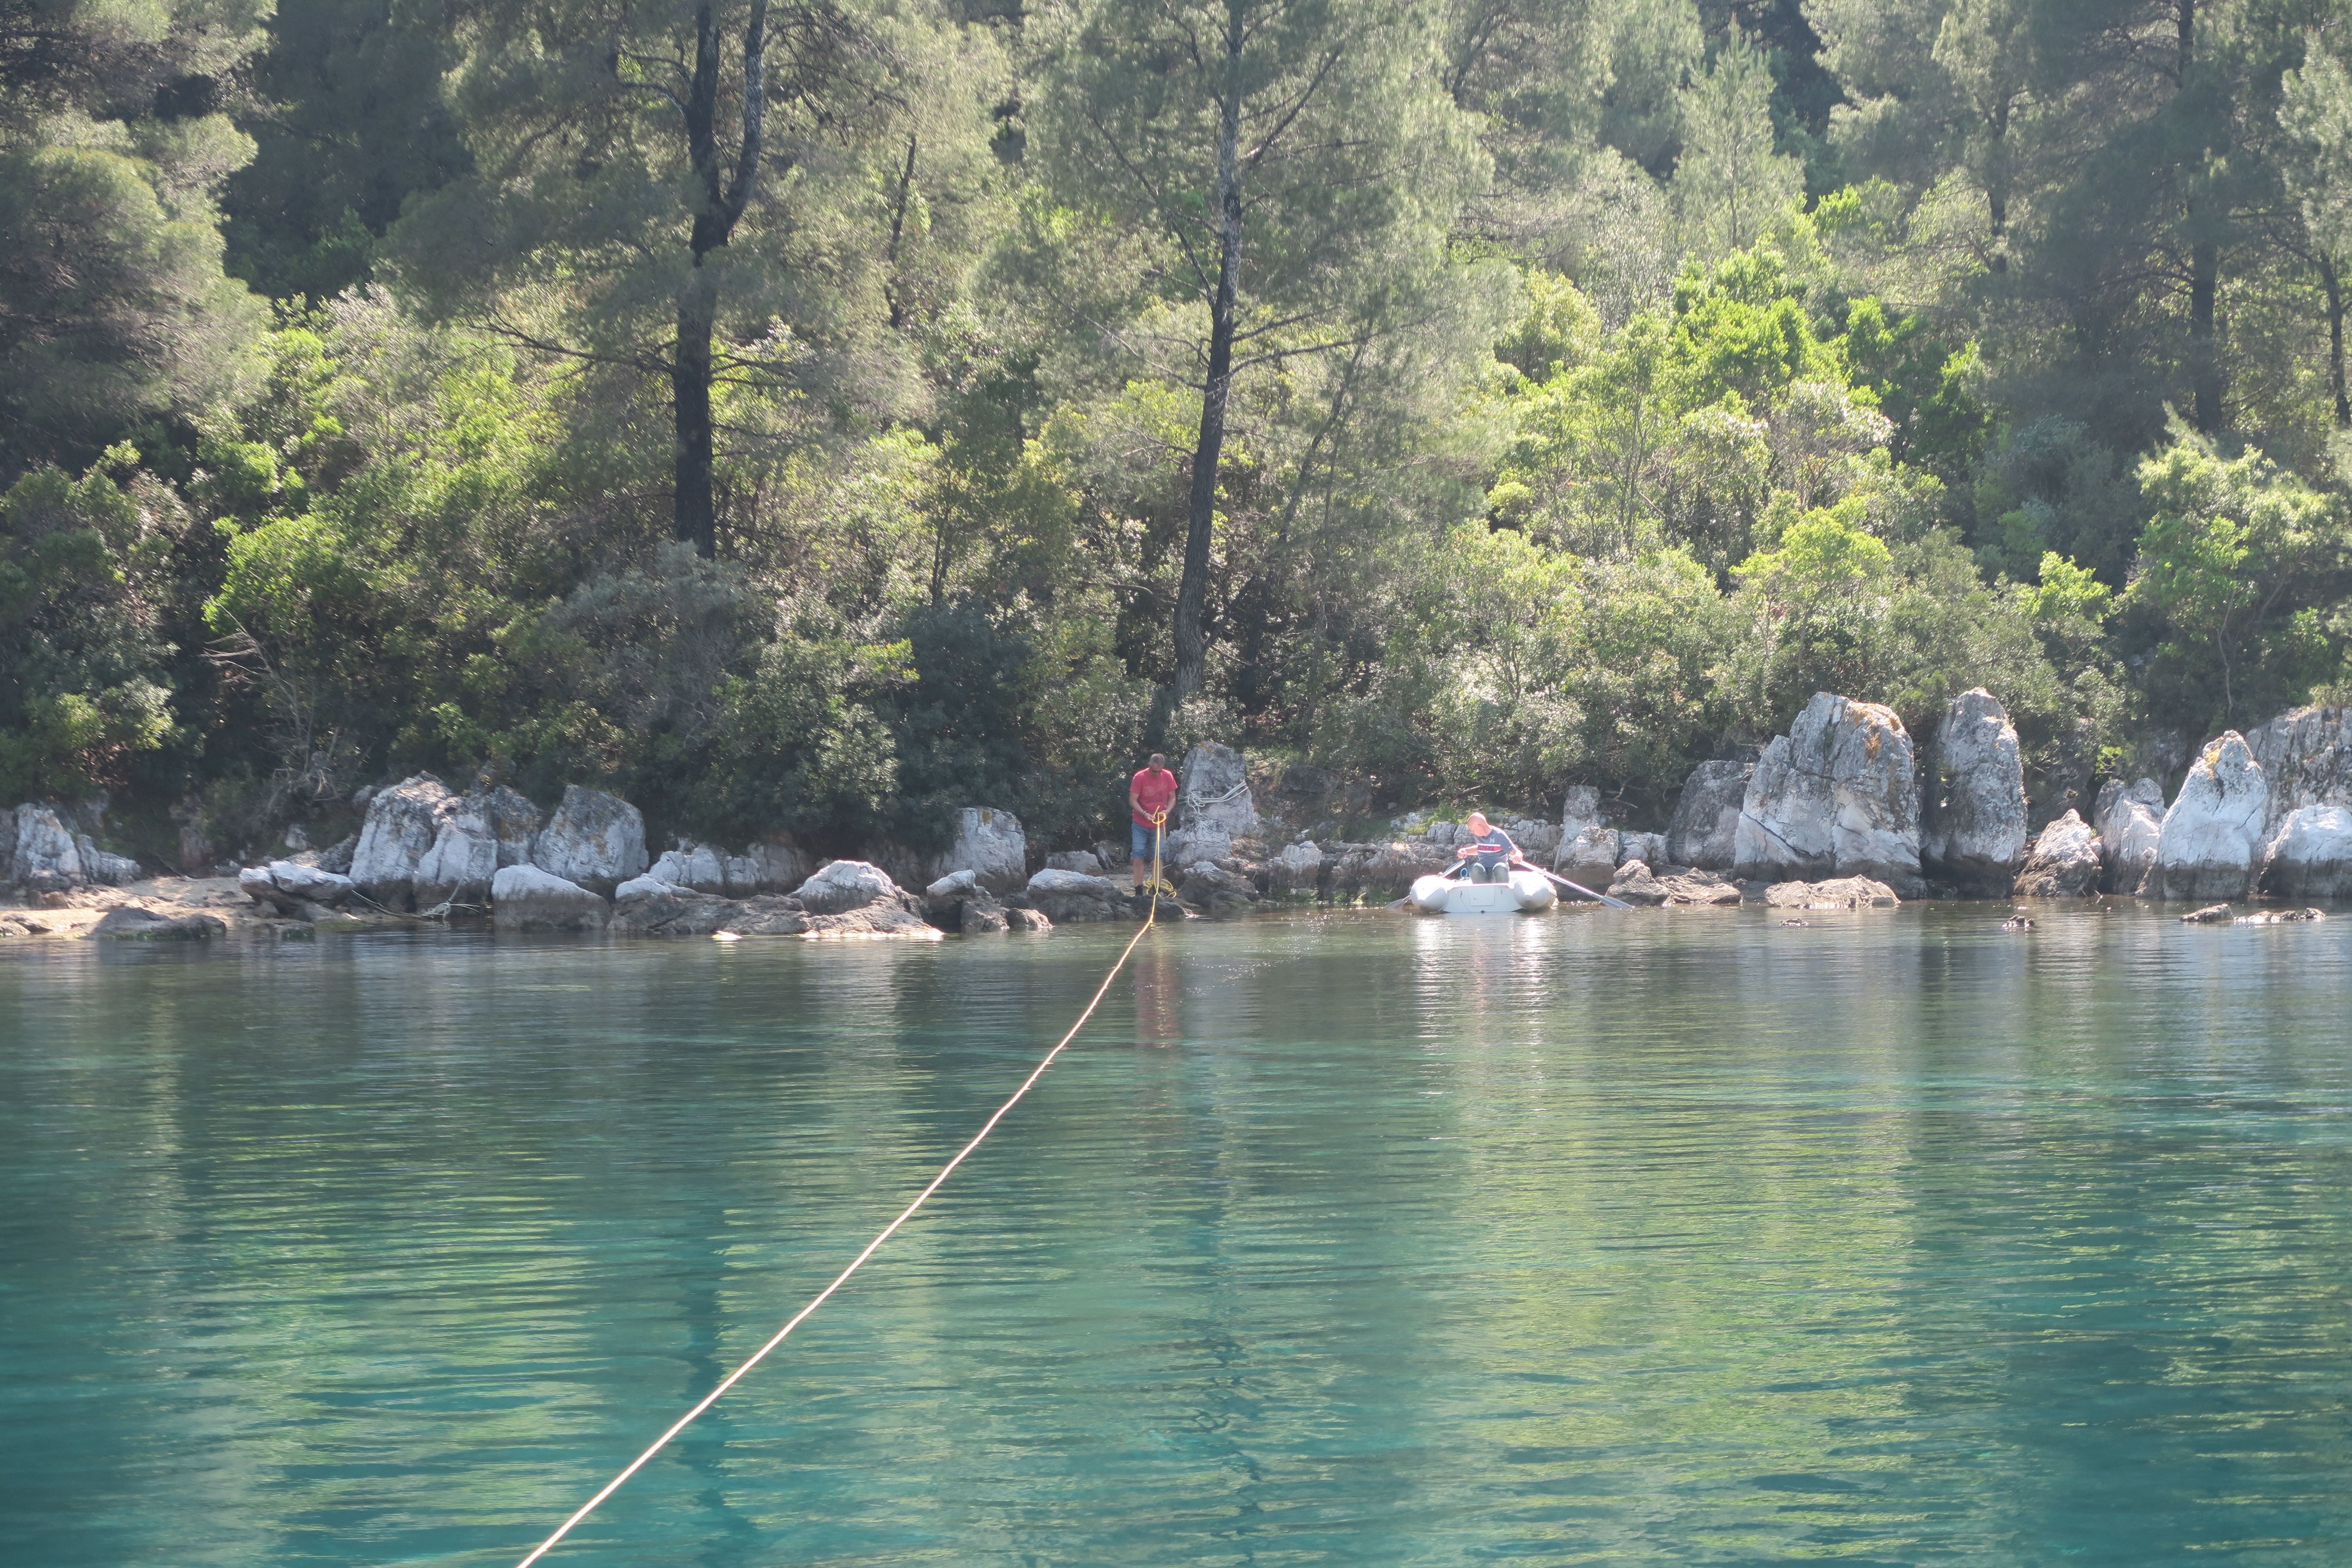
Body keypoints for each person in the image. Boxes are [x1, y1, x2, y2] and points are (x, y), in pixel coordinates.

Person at [1129, 752, 1179, 893]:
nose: (1157, 774)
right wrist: (1144, 814)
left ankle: (1156, 889)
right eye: (1154, 771)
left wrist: (1167, 812)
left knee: (1158, 858)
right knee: (1138, 857)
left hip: (1159, 826)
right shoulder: (1140, 777)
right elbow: (1133, 800)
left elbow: (1173, 798)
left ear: (1163, 768)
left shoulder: (1168, 776)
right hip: (1140, 824)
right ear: (1149, 766)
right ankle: (1138, 890)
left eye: (1160, 771)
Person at [1453, 811, 1526, 883]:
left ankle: (1502, 891)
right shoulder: (1478, 836)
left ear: (1480, 827)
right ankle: (1480, 891)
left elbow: (1516, 852)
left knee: (1500, 867)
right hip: (1484, 871)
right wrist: (1465, 851)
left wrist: (1518, 856)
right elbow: (1482, 848)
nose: (1472, 832)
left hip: (1497, 871)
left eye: (1473, 829)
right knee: (1475, 867)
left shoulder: (1499, 835)